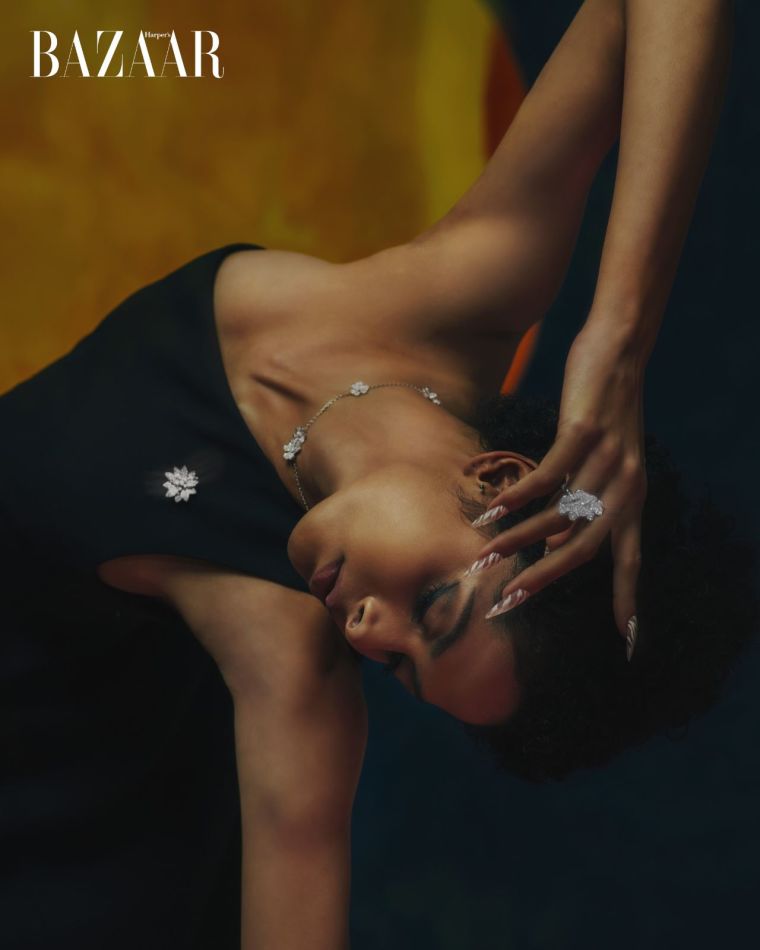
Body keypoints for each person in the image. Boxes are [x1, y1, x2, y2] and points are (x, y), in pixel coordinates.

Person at [2, 1, 754, 948]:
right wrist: (620, 339)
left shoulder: (290, 674)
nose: (364, 632)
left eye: (402, 666)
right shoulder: (463, 300)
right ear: (497, 482)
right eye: (434, 609)